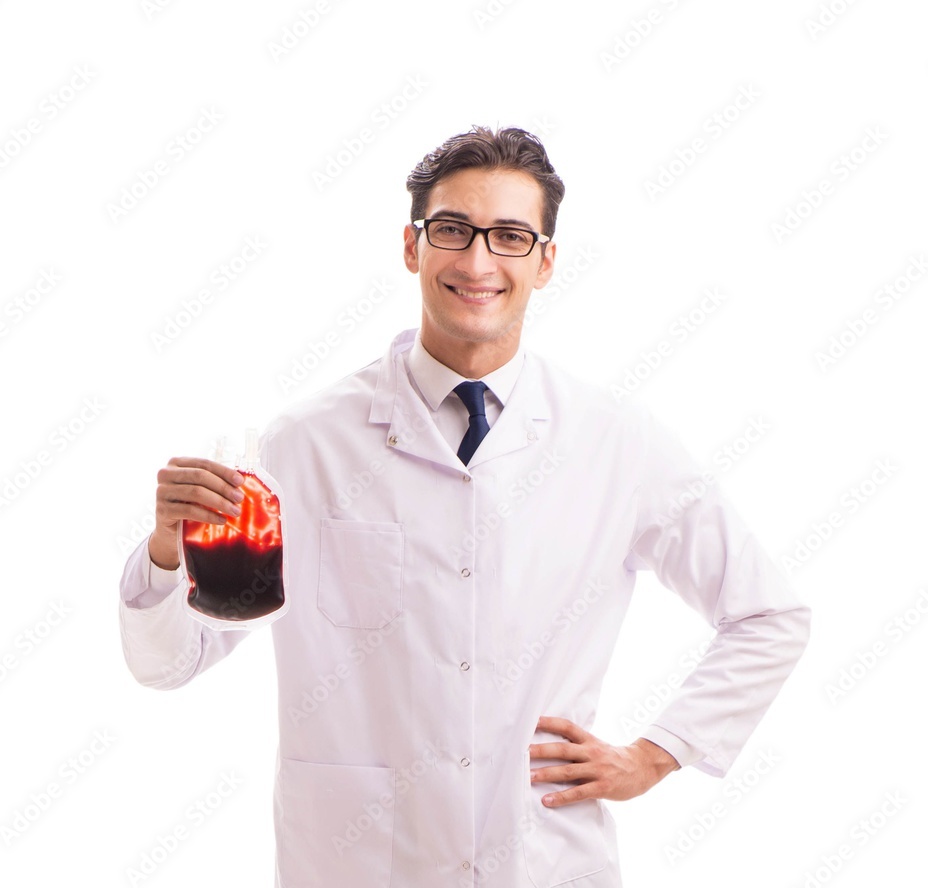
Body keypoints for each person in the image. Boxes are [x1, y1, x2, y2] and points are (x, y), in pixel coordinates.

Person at [118, 125, 811, 887]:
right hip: (354, 862)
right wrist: (165, 550)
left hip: (546, 859)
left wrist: (658, 753)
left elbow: (768, 614)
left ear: (546, 261)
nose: (478, 262)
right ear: (412, 247)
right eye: (452, 229)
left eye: (510, 236)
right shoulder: (305, 445)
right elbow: (171, 662)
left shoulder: (616, 442)